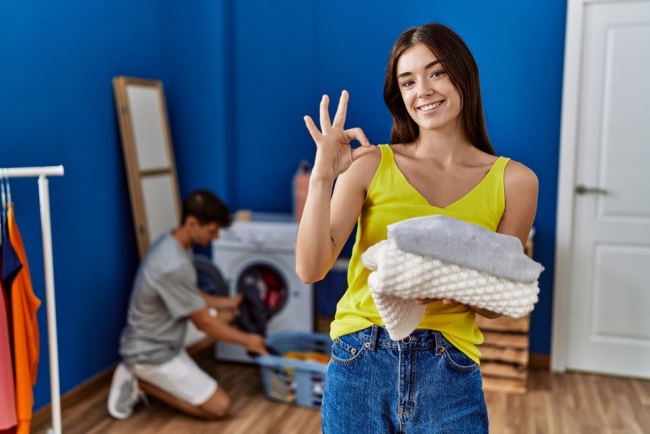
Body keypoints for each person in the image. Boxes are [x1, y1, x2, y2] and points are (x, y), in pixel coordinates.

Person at [296, 22, 538, 433]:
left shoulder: (515, 181)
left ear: (464, 75)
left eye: (437, 72)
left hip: (450, 371)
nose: (422, 90)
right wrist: (323, 177)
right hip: (360, 362)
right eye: (408, 81)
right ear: (399, 95)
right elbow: (310, 269)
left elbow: (497, 303)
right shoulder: (370, 164)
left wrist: (441, 282)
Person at [108, 189, 268, 420]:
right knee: (219, 407)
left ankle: (169, 374)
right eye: (212, 231)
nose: (216, 238)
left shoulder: (174, 242)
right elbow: (204, 324)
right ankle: (138, 380)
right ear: (192, 223)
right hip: (150, 352)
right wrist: (248, 341)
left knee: (226, 314)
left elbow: (191, 295)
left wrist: (230, 302)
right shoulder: (172, 264)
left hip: (167, 332)